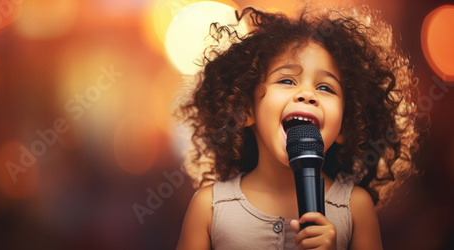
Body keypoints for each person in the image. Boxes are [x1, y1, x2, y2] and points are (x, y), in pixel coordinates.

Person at [174, 4, 421, 250]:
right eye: (287, 80)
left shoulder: (355, 208)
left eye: (325, 87)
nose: (307, 94)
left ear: (346, 125)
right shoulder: (210, 207)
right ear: (245, 110)